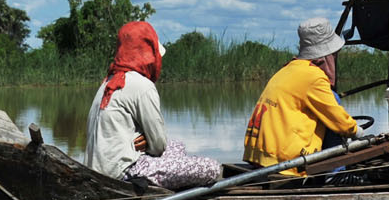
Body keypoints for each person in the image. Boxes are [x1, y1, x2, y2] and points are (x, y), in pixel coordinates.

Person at [84, 21, 220, 190]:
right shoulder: (142, 85)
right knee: (212, 168)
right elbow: (158, 146)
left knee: (177, 146)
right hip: (123, 172)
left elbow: (157, 144)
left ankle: (166, 175)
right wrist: (149, 143)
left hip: (101, 167)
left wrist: (145, 141)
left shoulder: (108, 80)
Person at [242, 17, 359, 176]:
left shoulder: (288, 69)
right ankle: (335, 175)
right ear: (324, 57)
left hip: (258, 155)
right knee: (334, 102)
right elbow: (340, 122)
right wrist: (358, 132)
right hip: (284, 160)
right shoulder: (314, 77)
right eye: (333, 55)